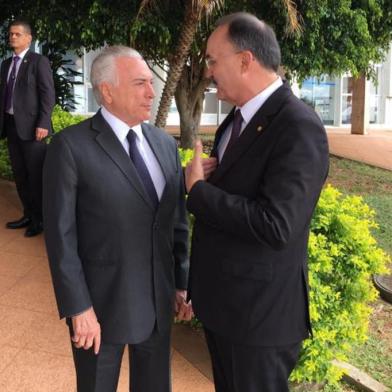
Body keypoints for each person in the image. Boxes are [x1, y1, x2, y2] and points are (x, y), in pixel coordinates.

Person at [185, 12, 329, 392]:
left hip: (260, 319)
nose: (208, 71)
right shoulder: (234, 120)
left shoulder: (298, 125)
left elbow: (278, 224)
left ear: (245, 60)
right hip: (225, 308)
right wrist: (214, 178)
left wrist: (200, 192)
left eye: (214, 60)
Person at [43, 46, 191, 392]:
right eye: (140, 83)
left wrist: (182, 282)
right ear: (107, 91)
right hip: (100, 311)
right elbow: (61, 237)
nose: (151, 92)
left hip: (157, 303)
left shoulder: (164, 144)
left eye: (150, 84)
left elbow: (176, 221)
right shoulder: (70, 147)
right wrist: (78, 308)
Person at [0, 19, 55, 237]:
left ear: (29, 38)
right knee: (20, 175)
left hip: (33, 129)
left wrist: (43, 123)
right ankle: (28, 214)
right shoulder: (5, 64)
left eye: (17, 34)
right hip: (11, 126)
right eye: (11, 34)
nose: (12, 37)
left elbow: (48, 95)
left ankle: (40, 219)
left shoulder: (38, 62)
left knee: (35, 176)